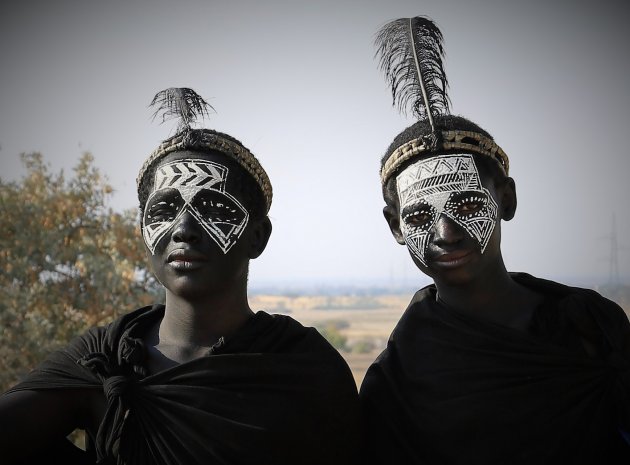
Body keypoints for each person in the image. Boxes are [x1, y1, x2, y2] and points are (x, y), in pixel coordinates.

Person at [0, 88, 361, 465]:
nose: (183, 229)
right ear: (143, 232)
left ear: (258, 236)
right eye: (164, 210)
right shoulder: (106, 359)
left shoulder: (304, 367)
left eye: (214, 207)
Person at [359, 16, 630, 464]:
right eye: (421, 215)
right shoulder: (399, 379)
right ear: (395, 227)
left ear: (506, 199)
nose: (446, 234)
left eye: (466, 205)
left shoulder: (591, 325)